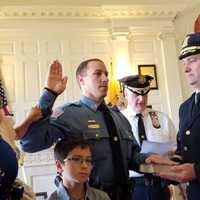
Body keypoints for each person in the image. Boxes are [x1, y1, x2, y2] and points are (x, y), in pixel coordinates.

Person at [20, 58, 176, 200]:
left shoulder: (119, 117)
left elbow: (131, 158)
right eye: (98, 74)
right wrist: (49, 94)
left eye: (106, 74)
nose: (106, 79)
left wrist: (148, 159)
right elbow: (30, 144)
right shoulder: (68, 114)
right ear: (82, 80)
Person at [119, 75, 177, 200]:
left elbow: (176, 149)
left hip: (160, 185)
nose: (141, 99)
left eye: (145, 95)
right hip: (132, 187)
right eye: (136, 95)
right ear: (125, 94)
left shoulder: (162, 119)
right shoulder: (118, 120)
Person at [158, 32, 200, 200]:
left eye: (192, 60)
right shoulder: (185, 107)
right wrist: (171, 164)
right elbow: (183, 147)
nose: (185, 68)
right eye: (184, 62)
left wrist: (197, 171)